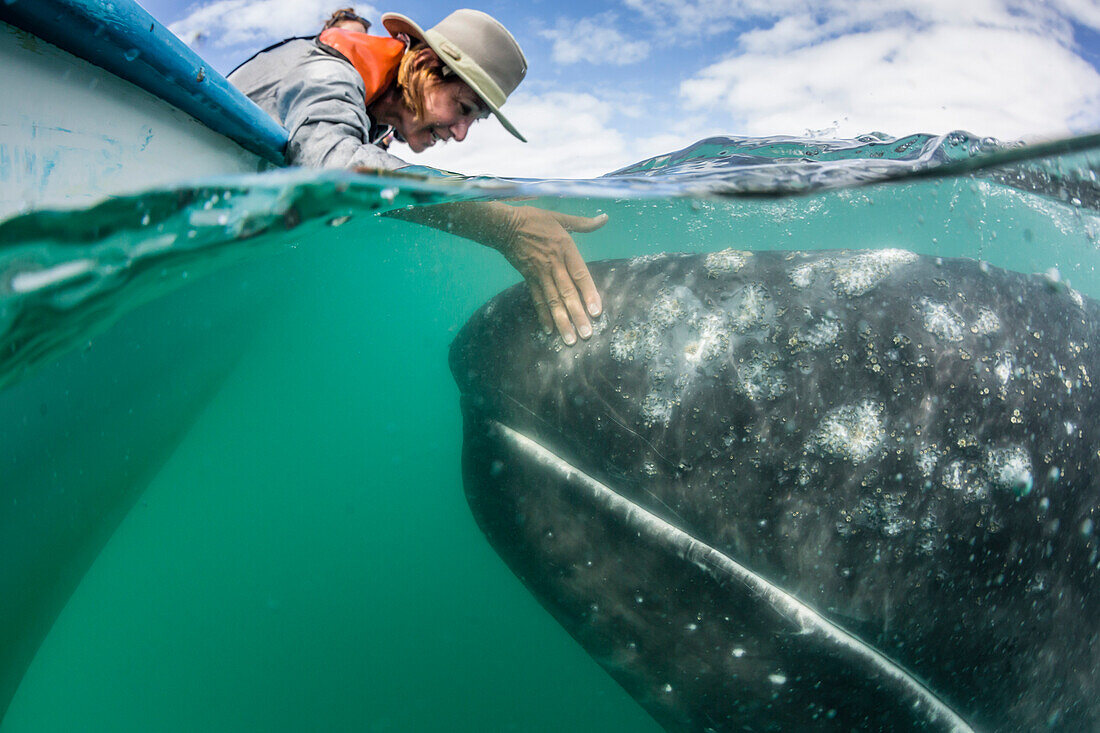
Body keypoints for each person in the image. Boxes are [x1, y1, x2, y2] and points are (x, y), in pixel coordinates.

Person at [228, 9, 604, 345]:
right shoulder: (328, 70)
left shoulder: (371, 117)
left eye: (474, 120)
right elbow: (331, 163)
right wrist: (504, 226)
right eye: (463, 108)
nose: (460, 133)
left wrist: (482, 197)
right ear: (424, 62)